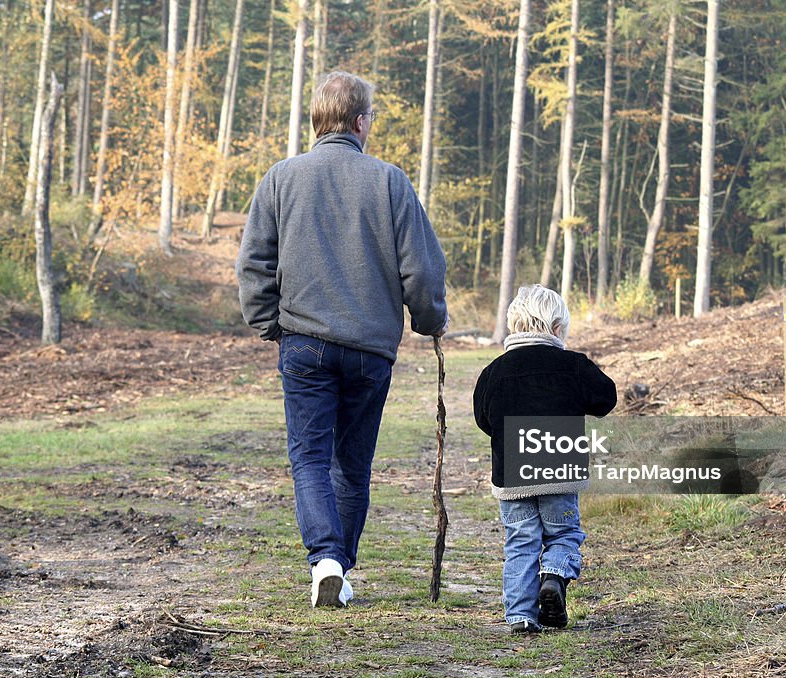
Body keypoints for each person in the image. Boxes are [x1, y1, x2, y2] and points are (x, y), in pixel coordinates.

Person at [236, 71, 449, 608]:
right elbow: (420, 270)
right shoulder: (390, 181)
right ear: (360, 122)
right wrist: (428, 320)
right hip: (370, 349)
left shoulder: (280, 178)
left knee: (310, 459)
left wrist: (270, 326)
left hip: (303, 343)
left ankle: (326, 560)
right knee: (351, 464)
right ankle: (339, 567)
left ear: (317, 121)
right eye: (371, 119)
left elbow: (253, 264)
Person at [473, 285, 616, 633]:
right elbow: (605, 399)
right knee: (564, 532)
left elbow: (483, 418)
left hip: (512, 474)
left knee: (521, 541)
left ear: (514, 325)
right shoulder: (573, 366)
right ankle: (553, 574)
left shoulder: (494, 371)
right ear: (556, 329)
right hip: (560, 471)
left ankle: (521, 615)